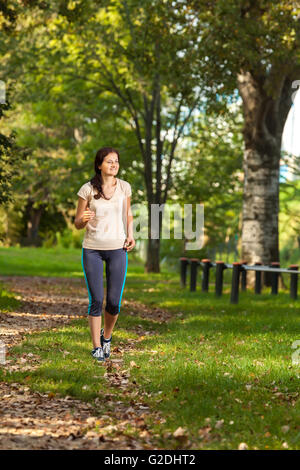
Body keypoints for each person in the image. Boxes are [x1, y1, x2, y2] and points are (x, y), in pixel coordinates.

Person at [75, 147, 135, 362]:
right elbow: (77, 222)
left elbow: (128, 214)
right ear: (99, 165)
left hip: (118, 249)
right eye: (109, 161)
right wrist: (83, 219)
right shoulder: (87, 189)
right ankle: (96, 347)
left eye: (116, 161)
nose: (114, 165)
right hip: (92, 249)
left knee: (113, 302)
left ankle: (107, 337)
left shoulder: (125, 187)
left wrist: (131, 235)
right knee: (96, 299)